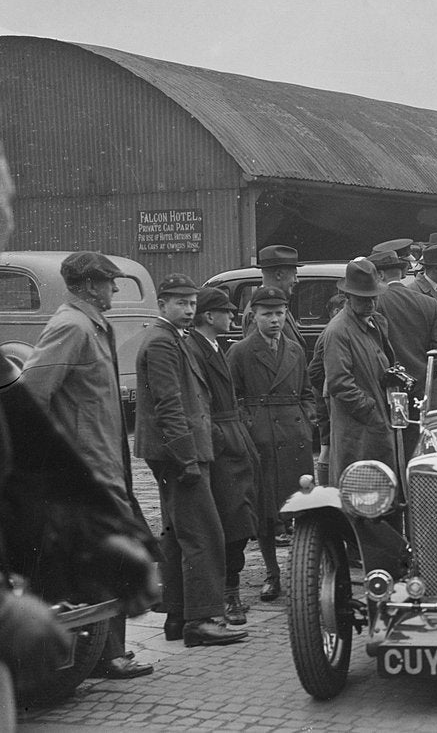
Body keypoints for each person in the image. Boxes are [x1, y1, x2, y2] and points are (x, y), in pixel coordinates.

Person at [18, 251, 156, 679]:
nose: (115, 289)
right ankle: (109, 655)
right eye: (110, 283)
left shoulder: (93, 326)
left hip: (106, 457)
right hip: (88, 463)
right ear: (90, 286)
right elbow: (30, 394)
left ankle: (103, 652)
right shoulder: (70, 327)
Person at [136, 274, 247, 648]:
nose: (188, 310)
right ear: (162, 304)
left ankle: (177, 614)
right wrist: (186, 458)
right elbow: (169, 406)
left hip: (178, 451)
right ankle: (202, 620)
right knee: (204, 534)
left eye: (191, 303)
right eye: (180, 303)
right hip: (180, 453)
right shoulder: (163, 343)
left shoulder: (172, 339)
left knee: (177, 534)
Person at [227, 286, 316, 602]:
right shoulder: (240, 352)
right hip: (262, 439)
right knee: (266, 514)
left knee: (301, 509)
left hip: (295, 439)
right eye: (267, 314)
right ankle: (272, 574)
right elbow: (231, 398)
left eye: (280, 313)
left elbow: (307, 391)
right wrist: (249, 425)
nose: (275, 320)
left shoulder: (295, 350)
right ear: (253, 316)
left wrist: (306, 419)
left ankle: (302, 572)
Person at [187, 287, 259, 625]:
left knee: (241, 518)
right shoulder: (195, 349)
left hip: (233, 439)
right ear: (208, 316)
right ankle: (227, 595)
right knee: (230, 521)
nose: (232, 317)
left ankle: (230, 590)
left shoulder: (215, 347)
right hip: (220, 444)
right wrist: (218, 436)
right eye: (226, 312)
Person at [371, 249, 437, 464]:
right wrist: (425, 379)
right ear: (401, 273)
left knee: (390, 450)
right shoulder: (428, 304)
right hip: (419, 390)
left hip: (385, 390)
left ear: (381, 275)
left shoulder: (375, 304)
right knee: (416, 446)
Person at [323, 258, 397, 475]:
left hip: (377, 423)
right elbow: (339, 384)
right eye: (364, 299)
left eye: (374, 298)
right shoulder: (338, 331)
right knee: (359, 491)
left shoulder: (377, 322)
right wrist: (371, 411)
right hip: (357, 430)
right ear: (348, 297)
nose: (371, 304)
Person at [308, 293, 345, 486]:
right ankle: (325, 490)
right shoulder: (331, 332)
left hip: (325, 394)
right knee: (327, 445)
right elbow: (314, 372)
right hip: (325, 397)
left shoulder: (330, 331)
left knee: (327, 444)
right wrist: (327, 390)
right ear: (336, 312)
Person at [241, 244, 304, 351]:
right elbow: (258, 357)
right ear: (279, 274)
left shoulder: (274, 304)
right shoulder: (257, 312)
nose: (296, 280)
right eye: (294, 275)